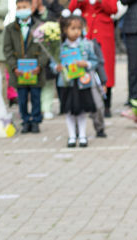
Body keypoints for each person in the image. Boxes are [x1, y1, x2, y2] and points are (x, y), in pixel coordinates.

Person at [4, 0, 49, 133]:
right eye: (19, 7)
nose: (21, 9)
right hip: (19, 72)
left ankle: (35, 120)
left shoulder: (39, 27)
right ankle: (25, 120)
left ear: (31, 8)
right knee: (22, 98)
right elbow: (7, 50)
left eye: (24, 7)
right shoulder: (10, 28)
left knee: (36, 96)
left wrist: (40, 65)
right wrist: (13, 67)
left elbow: (45, 49)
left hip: (36, 71)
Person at [55, 14, 99, 147]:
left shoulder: (86, 45)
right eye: (72, 28)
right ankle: (72, 136)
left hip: (82, 82)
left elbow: (95, 61)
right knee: (69, 110)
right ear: (65, 30)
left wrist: (86, 64)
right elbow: (53, 63)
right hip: (67, 83)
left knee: (81, 110)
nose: (76, 32)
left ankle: (83, 135)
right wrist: (57, 67)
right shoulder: (60, 47)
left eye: (79, 28)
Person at [68, 0, 118, 116]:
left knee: (105, 68)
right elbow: (72, 8)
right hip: (87, 30)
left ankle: (106, 104)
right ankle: (89, 104)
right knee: (85, 67)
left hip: (103, 31)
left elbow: (113, 9)